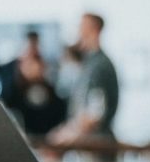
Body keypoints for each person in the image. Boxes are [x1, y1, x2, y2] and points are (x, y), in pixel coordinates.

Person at [49, 13, 119, 145]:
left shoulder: (99, 65)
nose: (78, 31)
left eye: (81, 27)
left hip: (97, 147)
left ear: (93, 30)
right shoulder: (88, 64)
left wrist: (66, 135)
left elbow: (95, 113)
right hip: (86, 145)